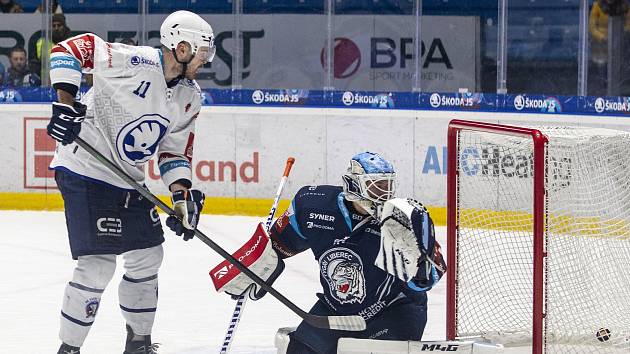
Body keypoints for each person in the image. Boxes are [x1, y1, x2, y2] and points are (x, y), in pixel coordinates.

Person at [47, 10, 216, 354]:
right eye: (202, 52)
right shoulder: (133, 60)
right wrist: (66, 105)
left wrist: (182, 197)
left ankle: (138, 344)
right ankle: (69, 349)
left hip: (128, 180)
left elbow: (173, 152)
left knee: (149, 255)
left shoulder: (190, 97)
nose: (206, 60)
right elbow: (66, 50)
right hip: (85, 169)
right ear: (181, 47)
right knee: (97, 265)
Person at [212, 152, 446, 354]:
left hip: (392, 309)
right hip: (336, 312)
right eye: (376, 186)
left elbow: (427, 279)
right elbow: (279, 245)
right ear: (354, 185)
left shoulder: (402, 219)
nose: (383, 195)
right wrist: (256, 264)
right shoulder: (313, 206)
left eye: (386, 186)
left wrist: (421, 268)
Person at [29, 13, 71, 83]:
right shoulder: (42, 43)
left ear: (64, 26)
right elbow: (35, 63)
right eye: (53, 26)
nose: (56, 28)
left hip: (67, 82)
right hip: (46, 83)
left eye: (59, 25)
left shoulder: (71, 42)